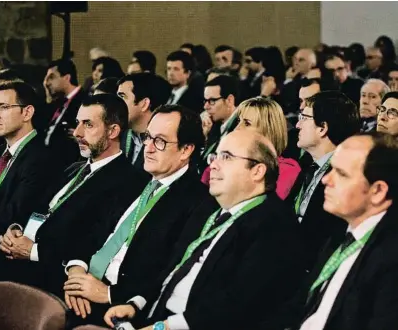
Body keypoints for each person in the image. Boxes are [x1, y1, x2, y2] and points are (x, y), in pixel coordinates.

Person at [102, 130, 306, 330]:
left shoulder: (275, 225)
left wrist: (163, 327)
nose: (213, 165)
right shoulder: (209, 209)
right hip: (155, 317)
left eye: (226, 157)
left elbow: (240, 304)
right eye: (214, 156)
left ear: (257, 171)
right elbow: (172, 267)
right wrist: (137, 304)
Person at [62, 105, 216, 325]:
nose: (148, 147)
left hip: (122, 307)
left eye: (160, 141)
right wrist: (76, 272)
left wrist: (108, 294)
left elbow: (170, 272)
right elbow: (92, 229)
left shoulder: (199, 203)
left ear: (186, 150)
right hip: (82, 283)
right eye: (147, 137)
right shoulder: (134, 179)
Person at [0, 94, 149, 293]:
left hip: (55, 277)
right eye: (78, 123)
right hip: (22, 262)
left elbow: (92, 241)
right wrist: (17, 230)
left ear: (113, 131)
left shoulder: (128, 181)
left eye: (88, 125)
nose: (77, 132)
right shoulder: (74, 168)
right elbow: (39, 208)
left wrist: (33, 251)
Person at [293, 132, 398, 330]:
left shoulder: (391, 260)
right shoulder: (340, 234)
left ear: (378, 192)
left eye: (341, 174)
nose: (326, 180)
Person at [0, 81, 63, 283]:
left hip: (4, 264)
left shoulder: (43, 159)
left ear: (27, 113)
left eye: (3, 108)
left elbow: (12, 216)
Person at [287, 91, 361, 269]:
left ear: (323, 128)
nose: (297, 125)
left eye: (304, 118)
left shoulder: (345, 175)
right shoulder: (306, 165)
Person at [117, 73, 171, 172]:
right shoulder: (119, 137)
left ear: (144, 104)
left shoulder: (166, 144)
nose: (115, 103)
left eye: (122, 97)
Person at [43, 59, 86, 167]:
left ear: (67, 78)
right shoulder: (58, 102)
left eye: (51, 77)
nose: (46, 83)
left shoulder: (84, 101)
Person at [199, 75, 240, 174]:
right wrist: (203, 136)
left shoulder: (241, 127)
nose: (206, 106)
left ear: (229, 100)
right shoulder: (214, 125)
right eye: (205, 101)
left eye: (212, 101)